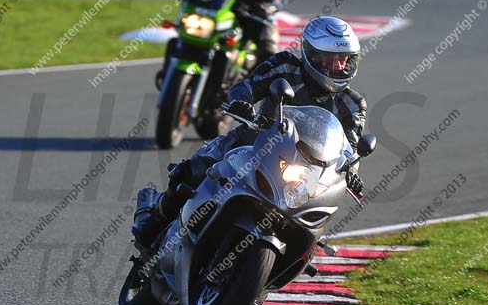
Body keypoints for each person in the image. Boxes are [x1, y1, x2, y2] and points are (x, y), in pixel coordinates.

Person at [133, 15, 367, 248]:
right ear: (312, 55)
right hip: (253, 146)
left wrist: (352, 172)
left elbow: (351, 148)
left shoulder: (353, 104)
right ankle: (154, 219)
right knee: (193, 171)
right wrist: (242, 102)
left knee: (311, 232)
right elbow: (246, 85)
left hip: (304, 177)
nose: (338, 67)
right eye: (330, 60)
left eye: (345, 60)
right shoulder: (284, 65)